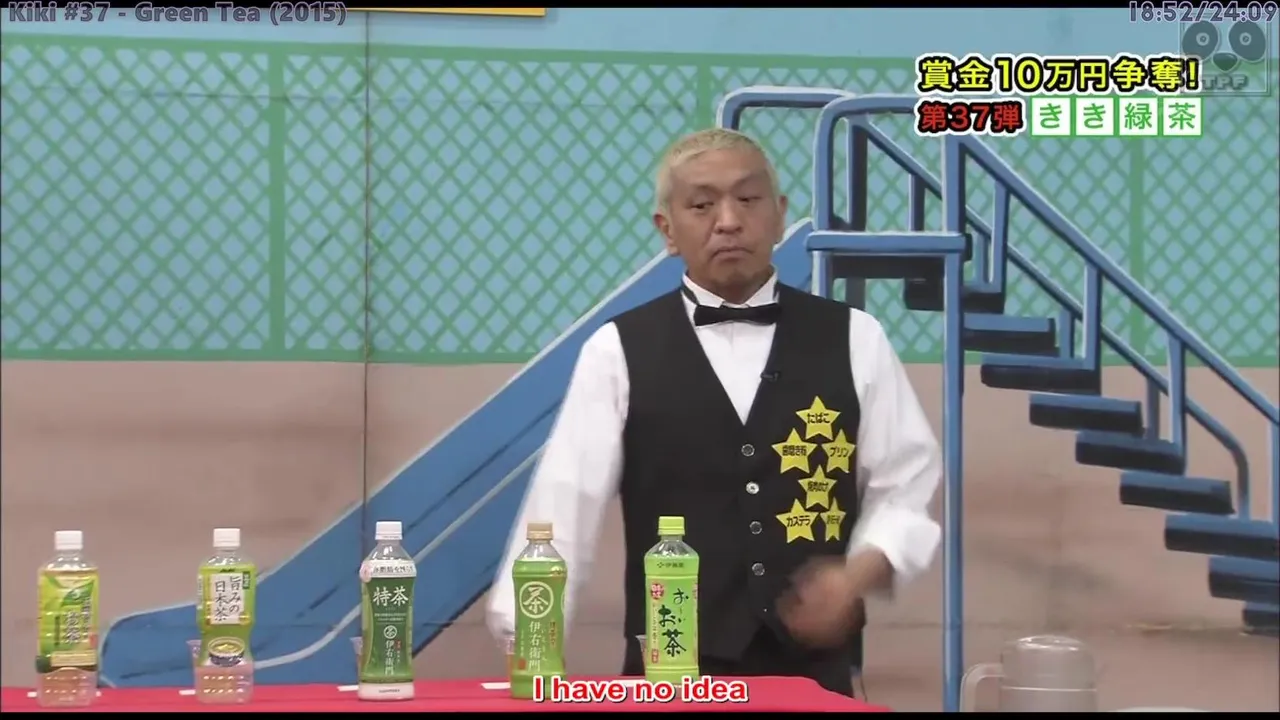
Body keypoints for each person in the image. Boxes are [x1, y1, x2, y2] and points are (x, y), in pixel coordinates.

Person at [486, 127, 942, 698]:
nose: (728, 221)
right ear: (667, 230)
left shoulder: (855, 338)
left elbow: (907, 483)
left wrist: (856, 575)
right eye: (702, 205)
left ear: (779, 215)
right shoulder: (618, 350)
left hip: (815, 679)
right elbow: (563, 501)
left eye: (747, 199)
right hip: (667, 676)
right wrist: (526, 636)